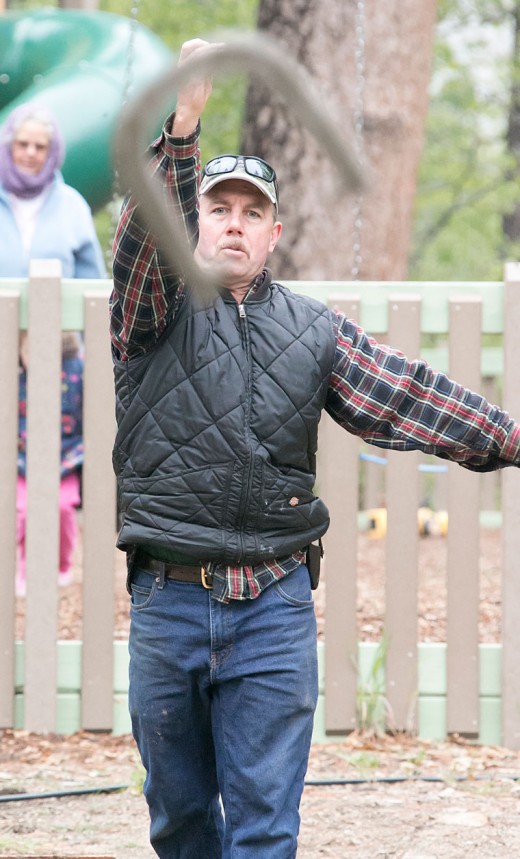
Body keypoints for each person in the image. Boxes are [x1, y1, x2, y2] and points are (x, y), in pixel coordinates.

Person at [110, 39, 520, 859]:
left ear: (274, 232)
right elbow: (141, 245)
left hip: (272, 605)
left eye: (250, 211)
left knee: (266, 830)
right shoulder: (151, 311)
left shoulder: (314, 331)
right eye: (217, 207)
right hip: (172, 601)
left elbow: (408, 395)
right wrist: (181, 134)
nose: (232, 221)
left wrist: (510, 437)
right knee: (182, 823)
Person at [0, 101, 105, 278]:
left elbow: (91, 281)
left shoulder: (72, 205)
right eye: (23, 144)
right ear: (9, 147)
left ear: (52, 151)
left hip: (56, 305)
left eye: (40, 147)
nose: (31, 153)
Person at [16, 331, 84, 598]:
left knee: (64, 507)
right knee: (23, 512)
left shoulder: (74, 370)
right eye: (28, 351)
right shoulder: (16, 376)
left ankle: (62, 564)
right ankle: (25, 569)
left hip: (63, 458)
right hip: (24, 459)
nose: (36, 359)